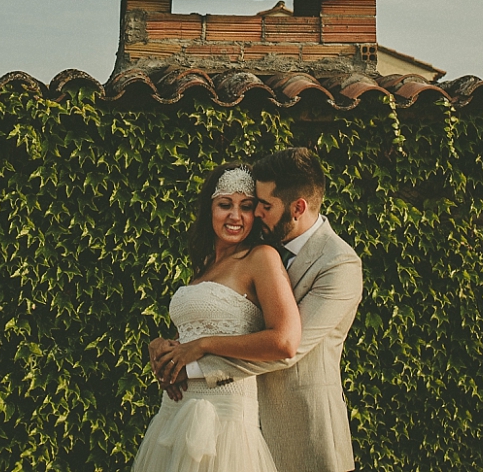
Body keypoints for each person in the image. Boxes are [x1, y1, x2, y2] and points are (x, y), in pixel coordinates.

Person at [151, 148, 363, 472]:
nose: (255, 214)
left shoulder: (339, 264)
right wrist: (168, 348)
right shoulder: (243, 253)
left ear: (297, 208)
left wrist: (190, 364)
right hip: (233, 419)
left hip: (302, 426)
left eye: (261, 206)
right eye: (229, 204)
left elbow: (287, 347)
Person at [131, 163, 301, 472]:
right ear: (209, 208)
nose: (235, 216)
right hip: (174, 412)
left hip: (225, 422)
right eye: (225, 205)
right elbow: (197, 327)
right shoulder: (206, 263)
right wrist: (162, 347)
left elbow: (285, 341)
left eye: (246, 207)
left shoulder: (261, 258)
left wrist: (202, 345)